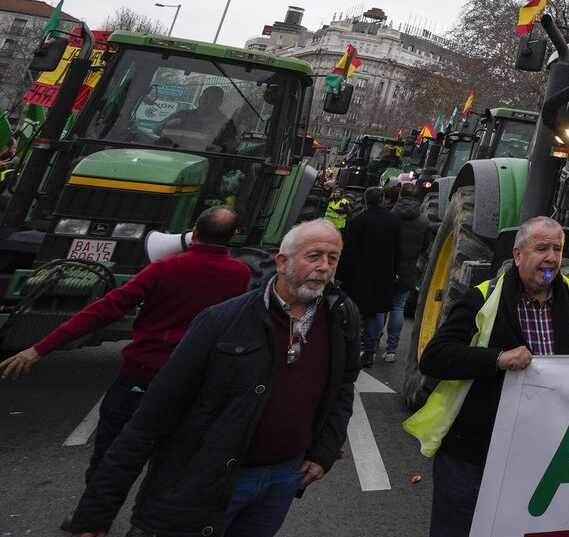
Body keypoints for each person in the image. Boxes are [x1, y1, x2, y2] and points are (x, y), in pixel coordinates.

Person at [66, 221, 359, 537]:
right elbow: (151, 417)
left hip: (282, 479)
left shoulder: (341, 317)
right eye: (314, 256)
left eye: (333, 258)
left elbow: (342, 386)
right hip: (204, 480)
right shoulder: (223, 320)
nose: (324, 267)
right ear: (282, 261)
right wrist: (96, 513)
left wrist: (323, 453)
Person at [0, 206, 251, 480]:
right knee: (172, 455)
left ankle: (92, 515)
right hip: (193, 378)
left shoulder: (163, 269)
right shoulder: (240, 274)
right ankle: (148, 519)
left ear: (194, 232)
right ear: (234, 236)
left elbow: (103, 310)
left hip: (142, 372)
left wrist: (39, 348)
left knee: (112, 450)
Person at [414, 216, 569, 537]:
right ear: (518, 255)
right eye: (541, 248)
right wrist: (499, 359)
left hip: (535, 448)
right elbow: (435, 357)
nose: (551, 258)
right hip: (474, 449)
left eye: (557, 249)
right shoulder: (483, 297)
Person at [337, 183, 404, 368]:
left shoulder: (358, 221)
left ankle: (350, 347)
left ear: (365, 201)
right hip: (383, 273)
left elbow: (348, 250)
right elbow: (399, 249)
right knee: (376, 313)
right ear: (382, 200)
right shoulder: (393, 221)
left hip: (358, 273)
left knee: (353, 311)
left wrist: (340, 274)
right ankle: (370, 350)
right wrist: (394, 271)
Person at [394, 186, 433, 322]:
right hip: (408, 269)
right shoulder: (423, 221)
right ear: (417, 198)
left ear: (400, 195)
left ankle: (373, 341)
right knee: (398, 307)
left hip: (388, 267)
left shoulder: (390, 216)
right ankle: (393, 344)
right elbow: (425, 247)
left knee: (381, 307)